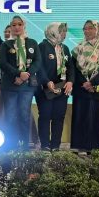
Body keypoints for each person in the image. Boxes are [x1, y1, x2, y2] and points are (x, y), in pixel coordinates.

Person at [70, 20, 99, 153]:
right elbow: (74, 70)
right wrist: (84, 82)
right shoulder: (78, 48)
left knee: (97, 117)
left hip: (98, 88)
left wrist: (92, 83)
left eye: (90, 28)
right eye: (85, 28)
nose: (87, 31)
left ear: (97, 29)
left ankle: (96, 146)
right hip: (81, 88)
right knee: (80, 117)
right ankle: (81, 146)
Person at [0, 15, 41, 150]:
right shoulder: (6, 44)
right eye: (14, 25)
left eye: (19, 24)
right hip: (10, 86)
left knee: (24, 115)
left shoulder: (32, 43)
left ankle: (23, 147)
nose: (17, 27)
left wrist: (25, 75)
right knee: (10, 117)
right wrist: (18, 74)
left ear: (24, 26)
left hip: (26, 87)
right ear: (10, 27)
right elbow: (3, 63)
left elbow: (37, 62)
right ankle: (10, 146)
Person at [35, 22, 74, 151]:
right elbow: (39, 67)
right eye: (61, 31)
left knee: (59, 117)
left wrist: (70, 81)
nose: (64, 34)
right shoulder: (42, 46)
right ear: (53, 32)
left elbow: (70, 67)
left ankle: (55, 146)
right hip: (45, 89)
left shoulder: (65, 48)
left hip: (61, 88)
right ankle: (45, 145)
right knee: (45, 116)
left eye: (65, 31)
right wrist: (47, 82)